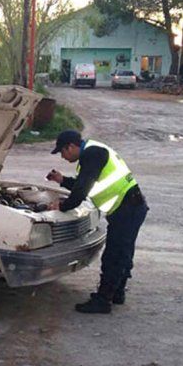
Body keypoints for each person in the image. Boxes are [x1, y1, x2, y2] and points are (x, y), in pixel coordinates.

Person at [46, 130, 148, 314]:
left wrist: (61, 207)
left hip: (127, 209)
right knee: (123, 252)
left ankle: (103, 301)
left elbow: (80, 192)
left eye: (62, 152)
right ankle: (117, 293)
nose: (62, 156)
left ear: (71, 146)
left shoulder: (92, 154)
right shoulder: (93, 152)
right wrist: (62, 180)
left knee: (114, 256)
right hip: (130, 207)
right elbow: (86, 185)